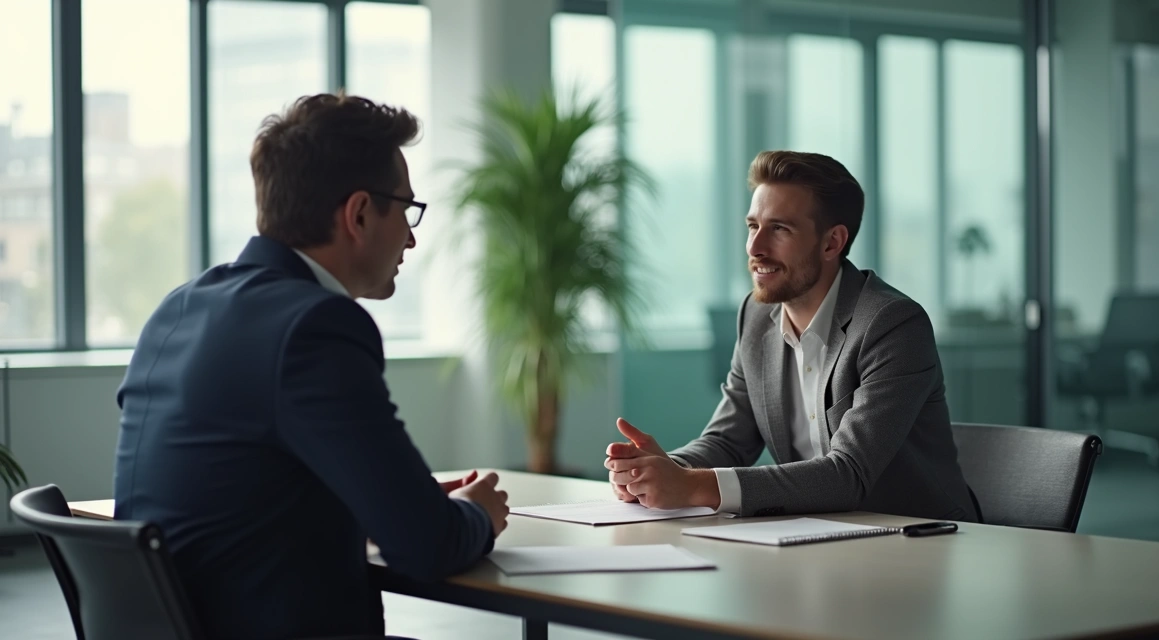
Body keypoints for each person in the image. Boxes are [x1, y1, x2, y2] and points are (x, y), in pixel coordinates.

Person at [113, 93, 509, 640]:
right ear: (360, 214)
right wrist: (477, 514)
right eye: (407, 209)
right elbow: (427, 548)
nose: (413, 236)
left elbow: (245, 502)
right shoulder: (316, 326)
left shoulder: (179, 308)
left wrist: (396, 502)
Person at [604, 150, 979, 522]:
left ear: (831, 243)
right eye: (753, 226)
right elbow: (727, 441)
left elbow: (848, 474)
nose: (755, 248)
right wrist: (658, 471)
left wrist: (690, 485)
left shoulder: (892, 325)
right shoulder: (755, 317)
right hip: (817, 534)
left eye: (779, 229)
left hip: (919, 537)